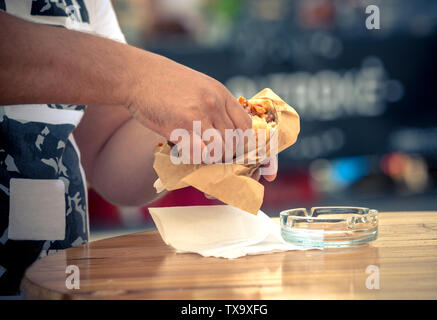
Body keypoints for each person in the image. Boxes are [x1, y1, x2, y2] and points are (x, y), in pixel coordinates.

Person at [0, 1, 277, 295]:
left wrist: (189, 140)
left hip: (61, 282)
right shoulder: (132, 71)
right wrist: (138, 75)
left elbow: (107, 148)